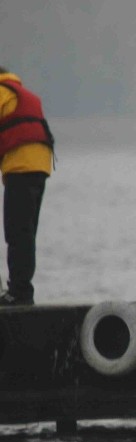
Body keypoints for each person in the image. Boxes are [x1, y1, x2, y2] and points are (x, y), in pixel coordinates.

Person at [0, 66, 54, 306]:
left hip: (21, 167)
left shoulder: (1, 93)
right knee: (26, 233)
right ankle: (22, 290)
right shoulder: (23, 94)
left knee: (17, 232)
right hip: (40, 167)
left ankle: (19, 293)